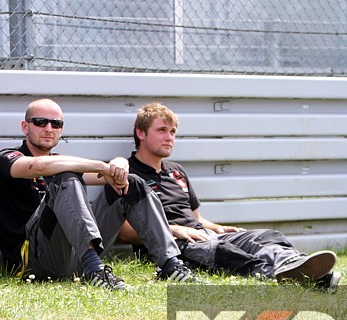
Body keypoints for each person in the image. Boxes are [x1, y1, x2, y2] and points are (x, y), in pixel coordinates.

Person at [119, 102, 340, 290]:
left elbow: (197, 218)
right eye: (162, 130)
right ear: (141, 133)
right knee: (225, 252)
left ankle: (297, 264)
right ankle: (296, 276)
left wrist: (218, 228)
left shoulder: (176, 171)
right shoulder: (127, 174)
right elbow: (126, 233)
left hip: (202, 234)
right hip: (172, 245)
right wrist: (172, 230)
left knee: (266, 236)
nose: (169, 137)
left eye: (173, 132)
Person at [0, 98, 199, 289]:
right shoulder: (7, 158)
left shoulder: (63, 161)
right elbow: (37, 166)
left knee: (133, 183)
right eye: (40, 122)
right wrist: (101, 166)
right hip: (33, 261)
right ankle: (95, 270)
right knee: (67, 177)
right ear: (25, 126)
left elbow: (105, 175)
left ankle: (170, 263)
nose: (48, 128)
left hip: (74, 257)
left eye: (56, 124)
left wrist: (119, 163)